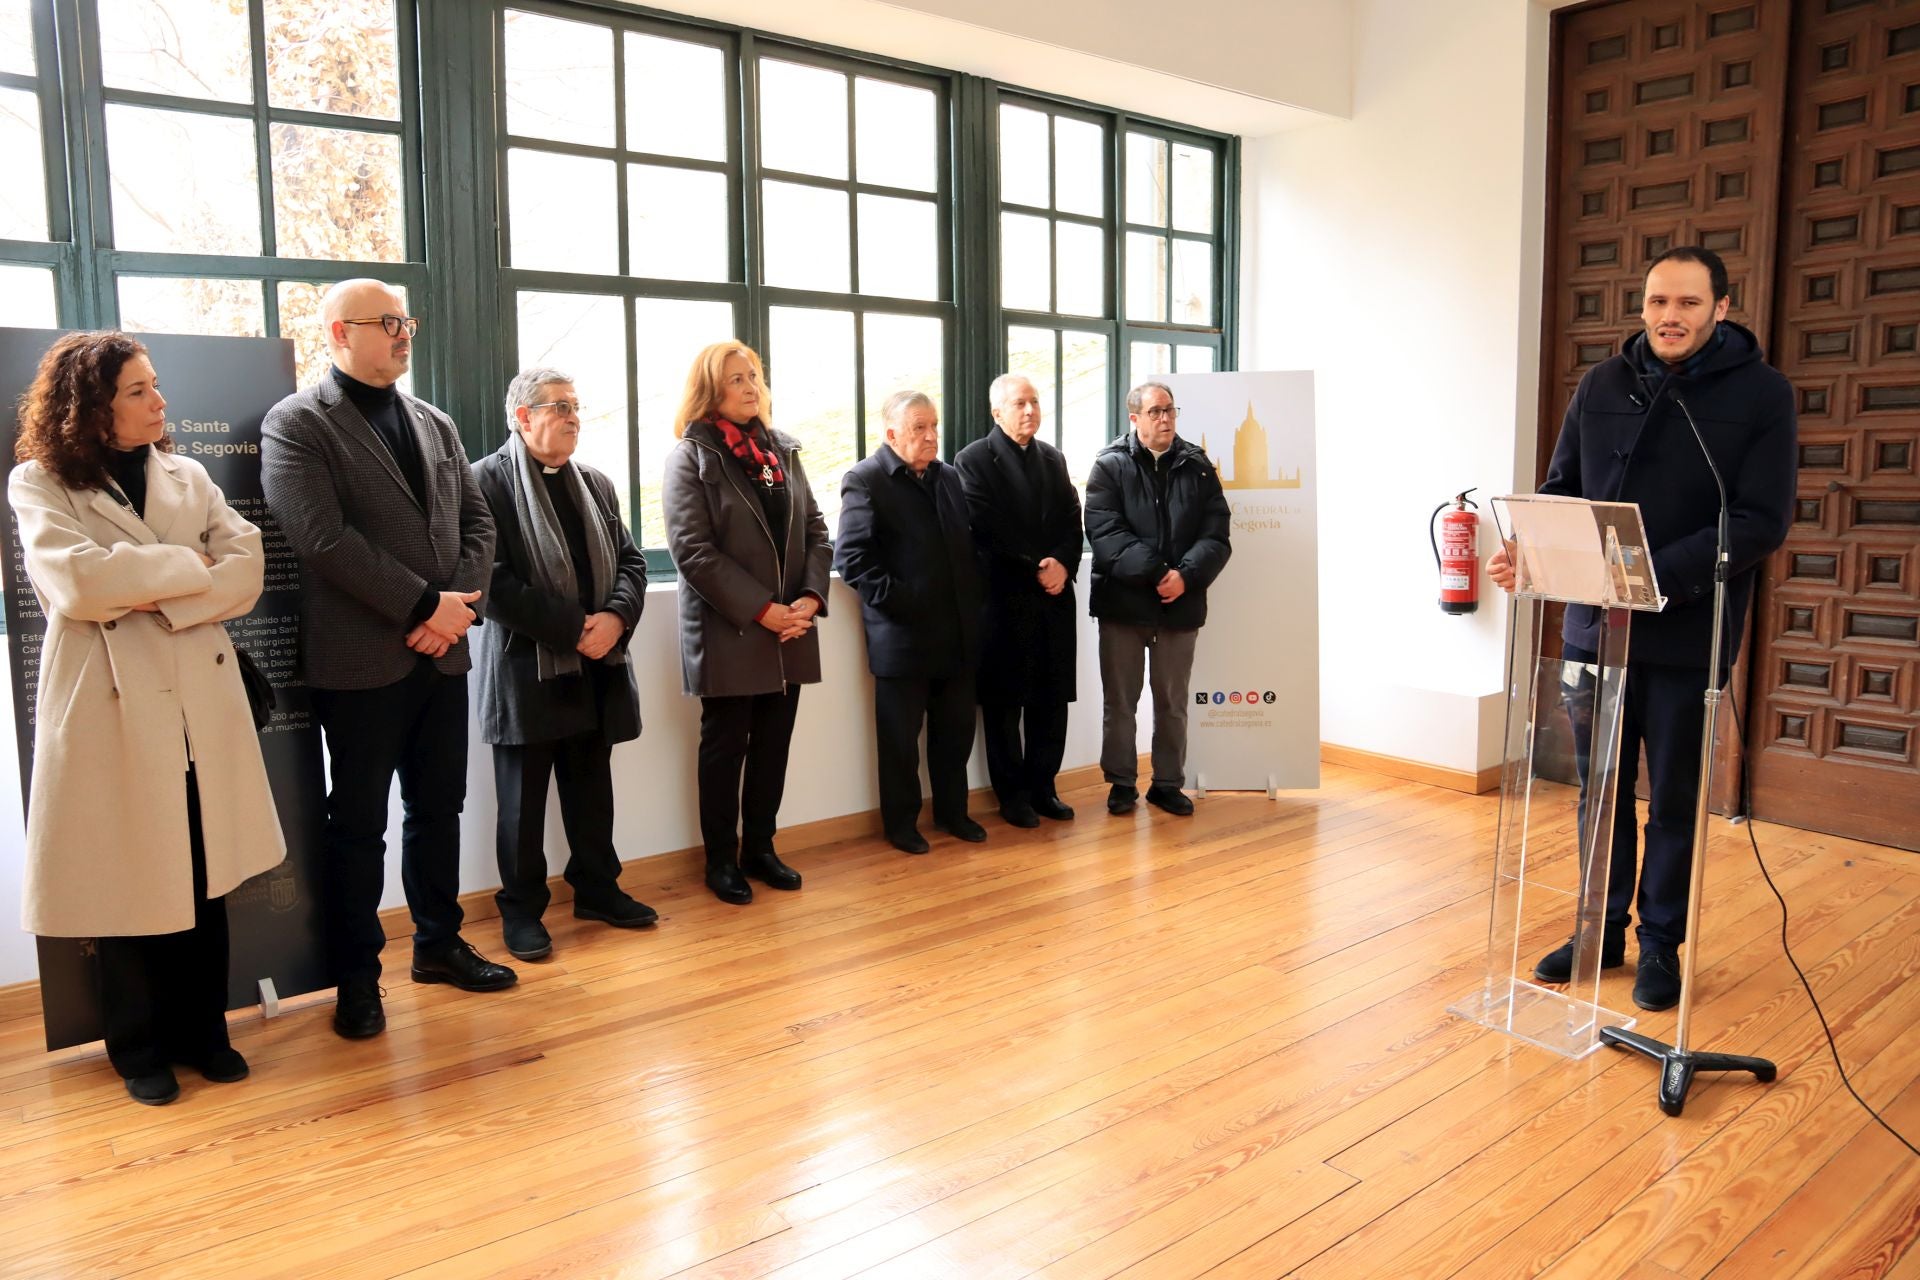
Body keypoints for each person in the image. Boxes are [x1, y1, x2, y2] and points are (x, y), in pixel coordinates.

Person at [1491, 245, 1795, 1012]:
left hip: (1686, 630)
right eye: (1659, 301)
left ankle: (1661, 944)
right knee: (1599, 792)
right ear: (1644, 306)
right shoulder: (1601, 384)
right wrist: (1527, 553)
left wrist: (1657, 572)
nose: (1671, 316)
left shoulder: (1762, 395)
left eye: (1689, 303)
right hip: (1597, 629)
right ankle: (1599, 931)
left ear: (1721, 308)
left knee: (1674, 798)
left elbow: (1761, 520)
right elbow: (1562, 491)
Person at [9, 332, 285, 1105]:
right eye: (138, 390)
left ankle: (206, 1031)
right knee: (128, 876)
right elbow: (76, 585)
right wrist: (187, 570)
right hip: (109, 705)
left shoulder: (187, 474)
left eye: (156, 385)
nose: (160, 402)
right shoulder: (40, 482)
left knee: (204, 872)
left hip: (199, 701)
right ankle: (136, 1048)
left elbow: (248, 568)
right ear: (92, 404)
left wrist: (149, 586)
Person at [261, 277, 511, 1041]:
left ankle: (437, 946)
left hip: (441, 655)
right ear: (338, 333)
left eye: (408, 320)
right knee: (358, 826)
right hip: (361, 660)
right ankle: (357, 982)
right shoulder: (297, 423)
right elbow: (322, 537)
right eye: (387, 322)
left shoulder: (434, 422)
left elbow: (478, 522)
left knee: (440, 811)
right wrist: (421, 607)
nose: (404, 333)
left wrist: (454, 609)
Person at [472, 368, 654, 961]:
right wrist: (576, 628)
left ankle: (598, 889)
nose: (573, 415)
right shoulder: (484, 484)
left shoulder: (596, 484)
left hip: (597, 665)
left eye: (576, 405)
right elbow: (491, 584)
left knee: (591, 789)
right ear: (521, 417)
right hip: (527, 670)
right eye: (558, 406)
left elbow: (631, 562)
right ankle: (521, 912)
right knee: (521, 807)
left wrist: (616, 619)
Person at [662, 343, 831, 904]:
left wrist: (808, 598)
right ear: (711, 390)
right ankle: (720, 862)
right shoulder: (691, 457)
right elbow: (693, 551)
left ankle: (761, 847)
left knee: (773, 747)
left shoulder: (782, 450)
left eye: (754, 375)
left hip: (790, 630)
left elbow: (815, 531)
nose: (750, 386)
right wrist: (764, 609)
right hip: (731, 632)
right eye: (736, 379)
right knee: (725, 749)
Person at [835, 390, 987, 854]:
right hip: (902, 637)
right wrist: (904, 602)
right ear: (892, 433)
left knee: (954, 734)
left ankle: (953, 813)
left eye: (934, 426)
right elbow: (852, 559)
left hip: (957, 634)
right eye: (919, 427)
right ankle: (901, 825)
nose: (931, 436)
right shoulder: (865, 480)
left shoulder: (950, 477)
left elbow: (967, 546)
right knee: (900, 743)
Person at [1085, 381, 1233, 818]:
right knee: (1121, 701)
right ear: (1135, 419)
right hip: (1123, 606)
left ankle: (1167, 784)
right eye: (1155, 412)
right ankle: (1122, 784)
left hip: (1180, 606)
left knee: (1172, 702)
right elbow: (1106, 535)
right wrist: (1156, 573)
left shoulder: (1198, 465)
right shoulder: (1108, 467)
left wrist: (1185, 577)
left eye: (1170, 410)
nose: (1165, 419)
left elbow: (1217, 534)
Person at [952, 373, 1083, 827]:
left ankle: (1044, 787)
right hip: (1005, 600)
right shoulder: (972, 460)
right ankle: (1012, 797)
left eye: (1034, 401)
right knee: (1006, 704)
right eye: (1018, 403)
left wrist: (1064, 563)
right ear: (997, 413)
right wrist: (1037, 566)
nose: (1029, 411)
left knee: (1050, 701)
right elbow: (984, 527)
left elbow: (1072, 518)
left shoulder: (1054, 458)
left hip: (1053, 597)